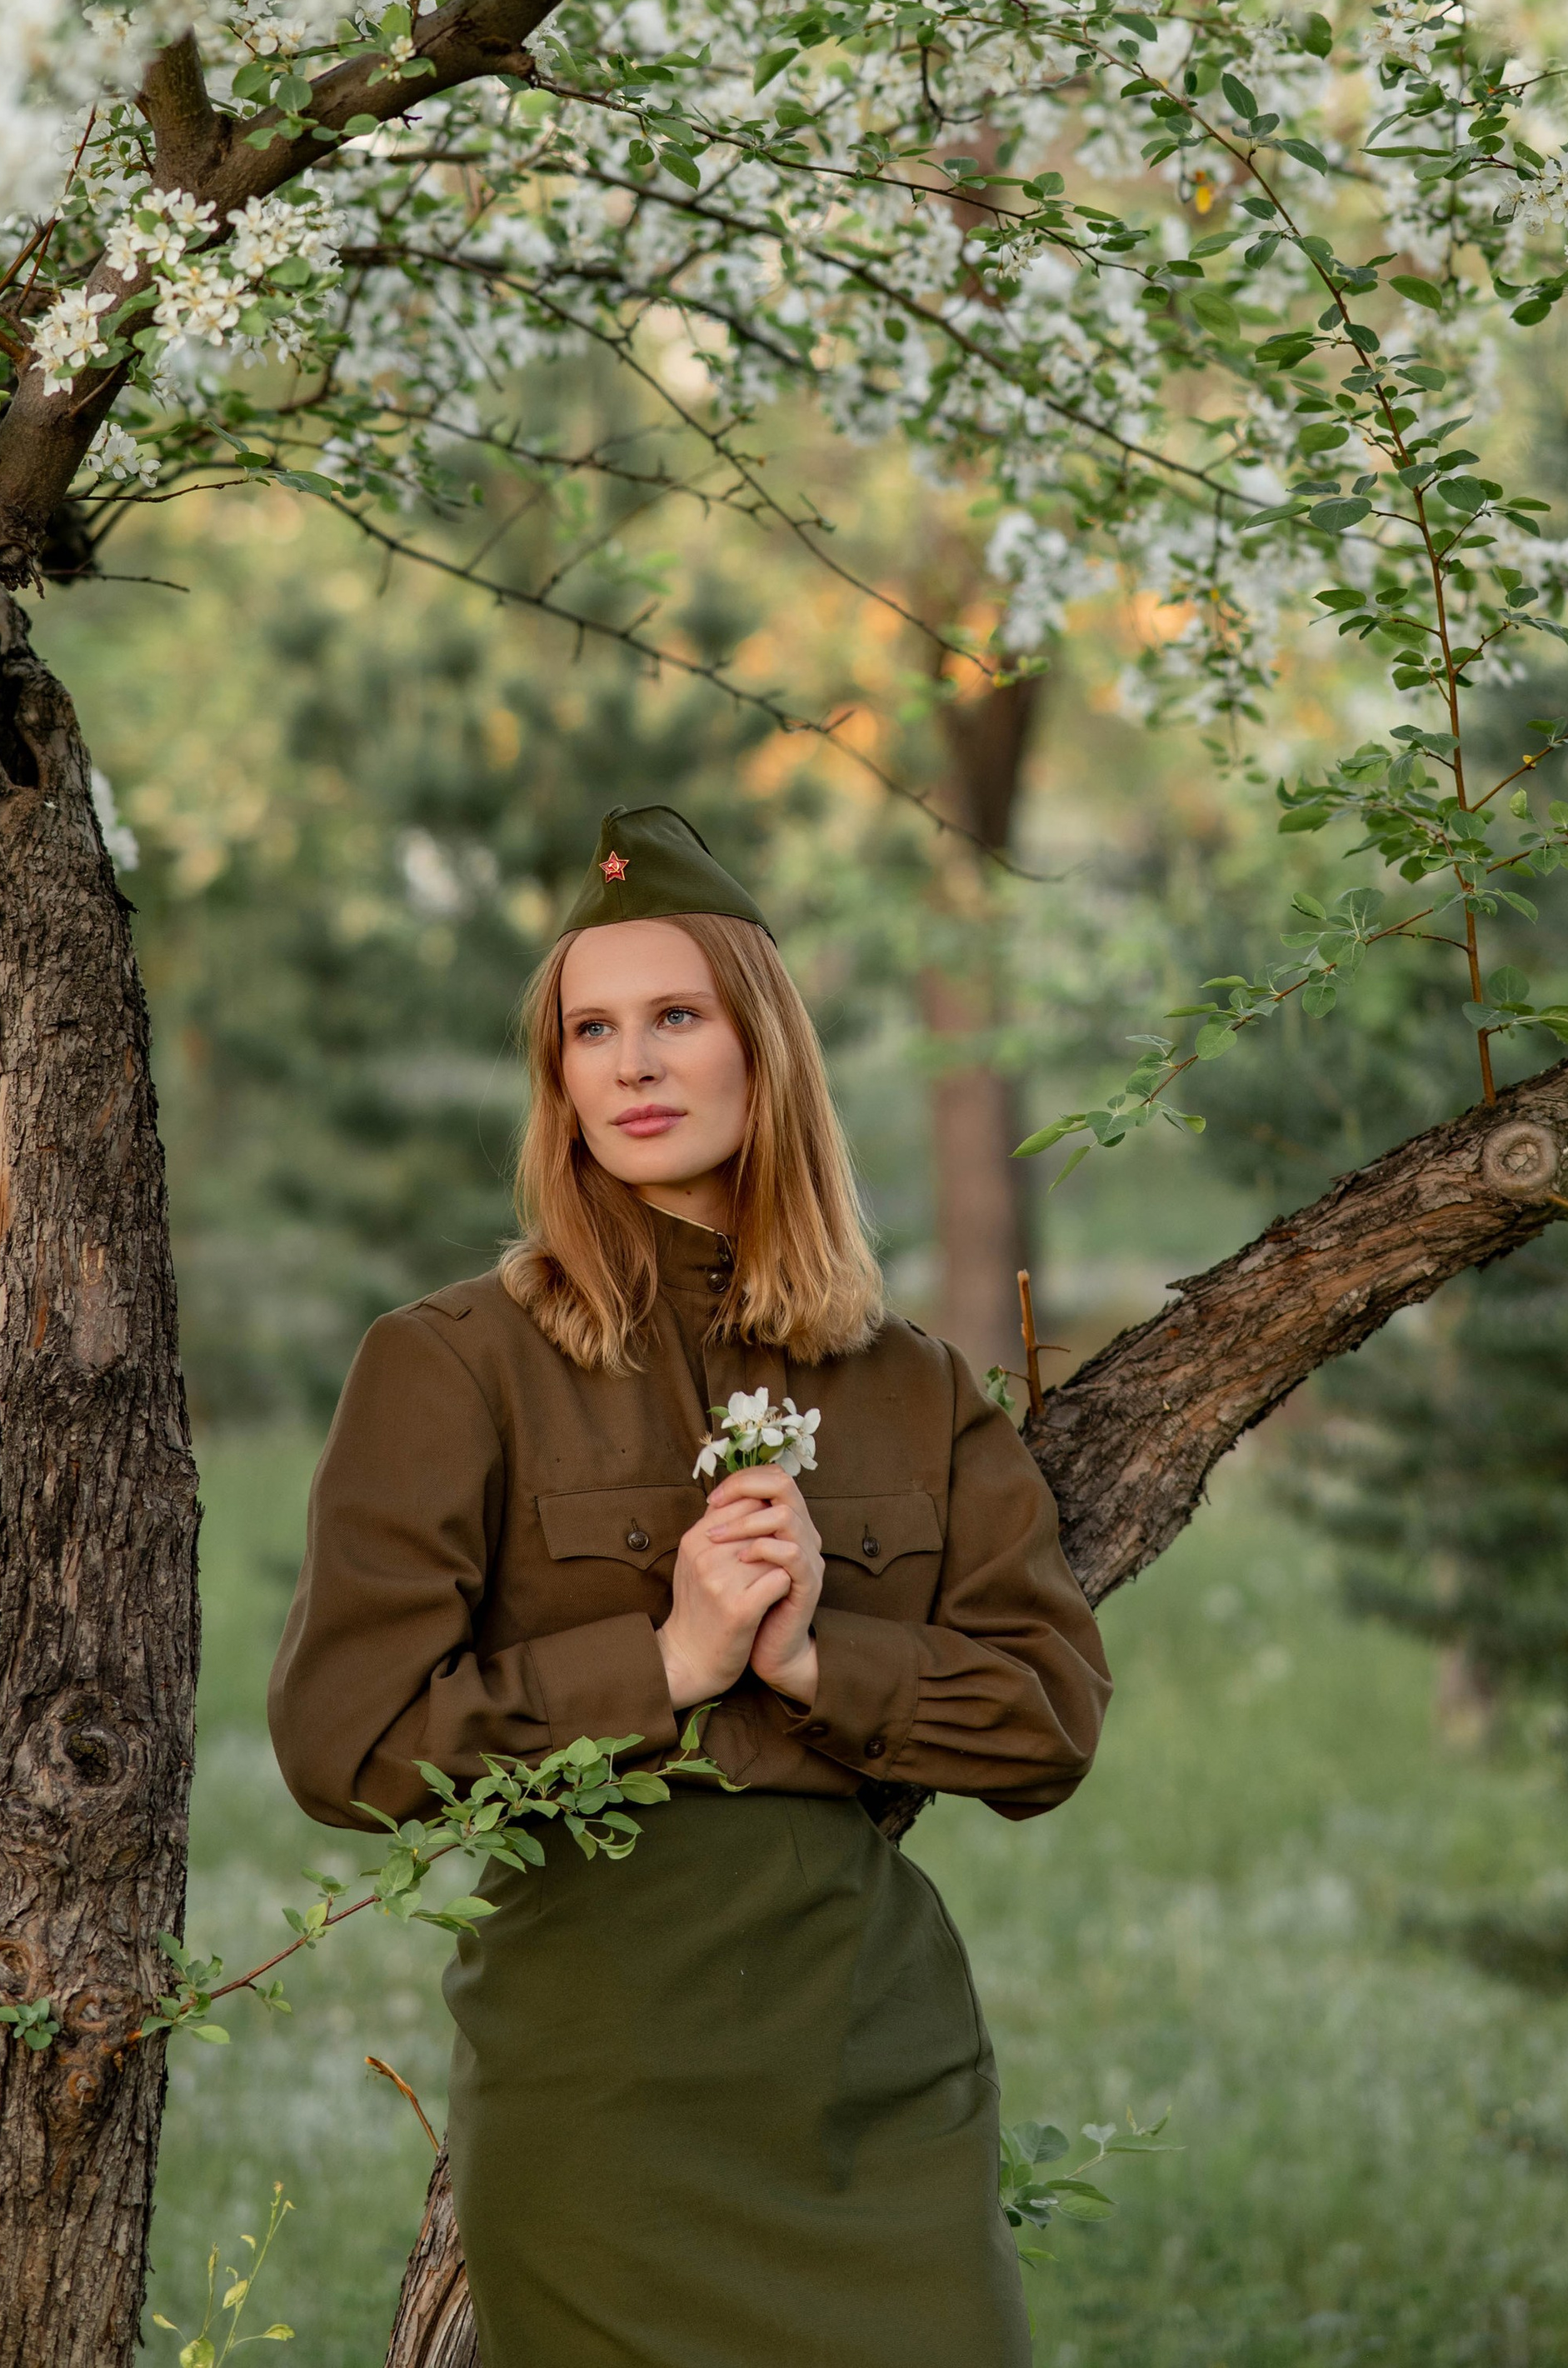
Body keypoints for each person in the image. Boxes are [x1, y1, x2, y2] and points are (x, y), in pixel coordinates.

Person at [268, 803, 1111, 2368]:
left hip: (874, 2070)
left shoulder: (910, 1384)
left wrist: (811, 1665)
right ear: (559, 1076)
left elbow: (1048, 1721)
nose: (632, 1063)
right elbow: (344, 1741)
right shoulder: (456, 1361)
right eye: (592, 1029)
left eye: (676, 1017)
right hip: (599, 2081)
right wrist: (664, 1661)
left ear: (763, 1051)